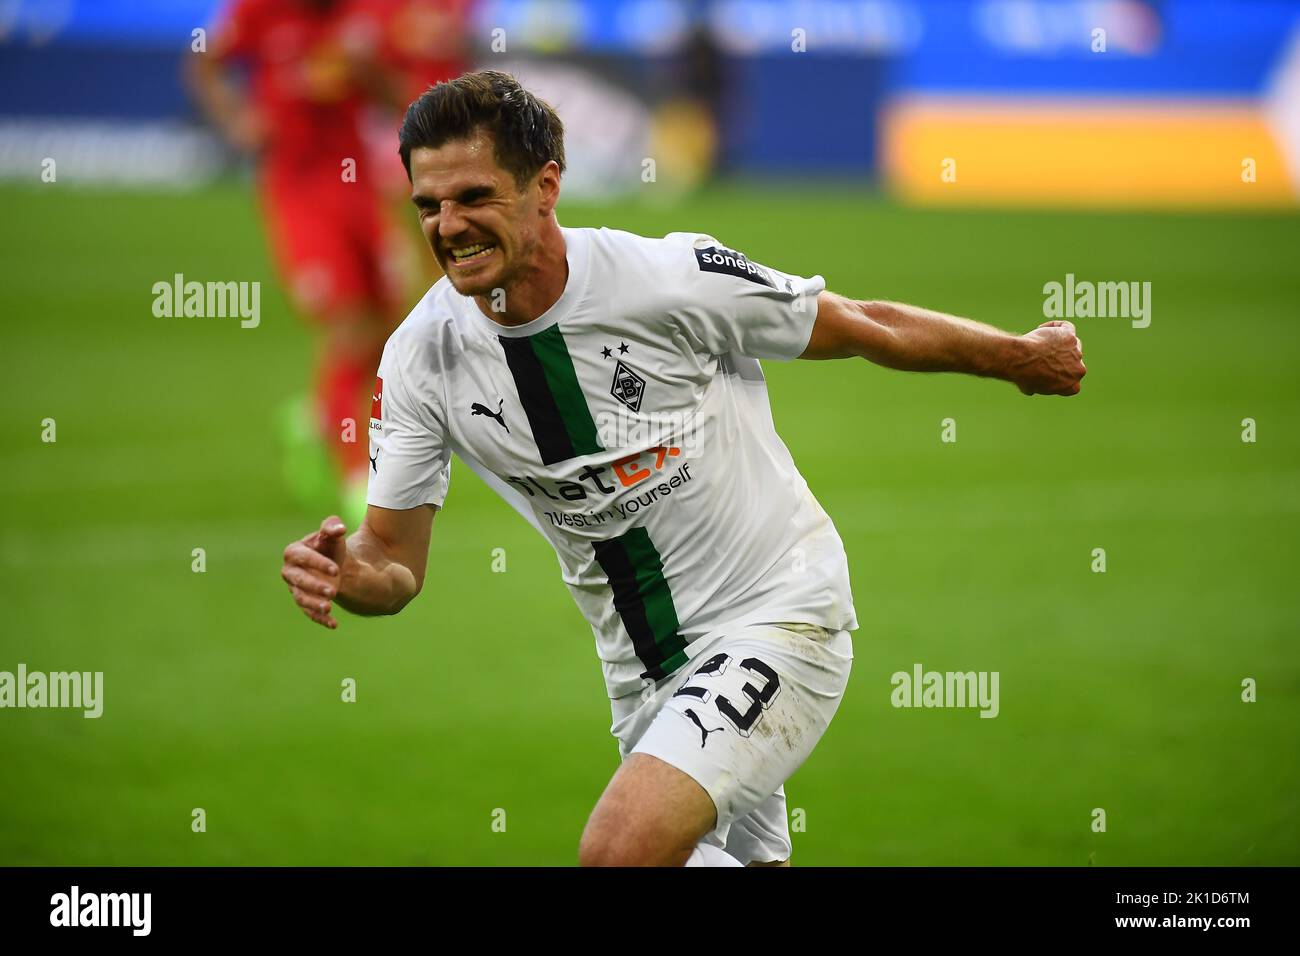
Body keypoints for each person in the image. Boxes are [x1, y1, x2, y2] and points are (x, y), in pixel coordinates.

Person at [279, 71, 1086, 867]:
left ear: (546, 187)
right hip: (643, 678)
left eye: (474, 198)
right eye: (428, 205)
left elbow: (858, 324)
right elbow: (393, 560)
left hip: (779, 613)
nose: (449, 226)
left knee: (618, 854)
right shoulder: (422, 359)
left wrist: (1017, 355)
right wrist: (348, 571)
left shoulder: (667, 279)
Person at [188, 0, 406, 520]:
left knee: (390, 331)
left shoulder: (363, 15)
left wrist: (367, 73)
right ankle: (357, 478)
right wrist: (236, 119)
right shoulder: (259, 12)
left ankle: (313, 416)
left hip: (358, 189)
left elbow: (392, 91)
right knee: (349, 326)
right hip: (298, 194)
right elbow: (203, 61)